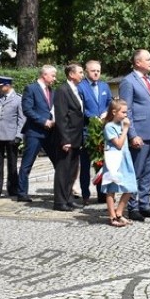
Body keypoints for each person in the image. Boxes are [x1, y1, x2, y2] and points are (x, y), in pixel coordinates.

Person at [119, 49, 150, 223]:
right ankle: (132, 207)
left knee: (149, 172)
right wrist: (132, 134)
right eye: (148, 59)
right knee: (136, 172)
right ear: (138, 62)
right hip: (139, 134)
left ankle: (145, 204)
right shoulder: (128, 82)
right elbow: (126, 110)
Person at [17, 65, 57, 203]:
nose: (54, 78)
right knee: (27, 163)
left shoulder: (52, 91)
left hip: (50, 133)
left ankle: (60, 192)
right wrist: (43, 121)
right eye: (53, 75)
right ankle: (22, 193)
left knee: (58, 162)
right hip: (34, 132)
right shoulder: (31, 88)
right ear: (44, 75)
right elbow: (27, 110)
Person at [77, 60, 112, 205]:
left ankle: (102, 194)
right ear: (86, 72)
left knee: (101, 164)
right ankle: (85, 194)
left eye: (98, 70)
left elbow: (110, 102)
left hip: (102, 131)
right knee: (85, 165)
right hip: (87, 131)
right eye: (93, 71)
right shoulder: (80, 87)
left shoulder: (104, 86)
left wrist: (106, 113)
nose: (96, 73)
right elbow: (79, 107)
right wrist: (92, 118)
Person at [52, 63, 85, 211]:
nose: (82, 75)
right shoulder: (62, 90)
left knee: (72, 170)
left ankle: (68, 197)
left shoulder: (75, 89)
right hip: (67, 137)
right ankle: (60, 201)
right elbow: (61, 116)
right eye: (80, 72)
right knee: (63, 170)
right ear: (71, 74)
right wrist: (65, 139)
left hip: (76, 137)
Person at [100, 99, 138, 226]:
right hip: (114, 159)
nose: (125, 115)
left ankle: (119, 212)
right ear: (114, 112)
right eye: (123, 112)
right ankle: (112, 216)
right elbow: (119, 144)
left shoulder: (121, 124)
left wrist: (124, 126)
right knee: (111, 187)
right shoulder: (109, 126)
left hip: (124, 159)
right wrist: (126, 129)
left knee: (130, 186)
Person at [0, 76, 25, 199]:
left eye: (0, 86)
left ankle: (13, 188)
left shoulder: (18, 99)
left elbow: (22, 119)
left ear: (7, 86)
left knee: (12, 164)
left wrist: (19, 135)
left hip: (11, 135)